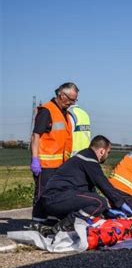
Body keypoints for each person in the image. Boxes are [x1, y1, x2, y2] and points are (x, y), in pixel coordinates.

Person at [39, 135, 132, 233]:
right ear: (102, 151)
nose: (107, 155)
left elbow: (89, 193)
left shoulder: (82, 158)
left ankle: (66, 223)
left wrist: (106, 211)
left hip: (56, 198)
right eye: (108, 152)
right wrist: (121, 203)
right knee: (99, 202)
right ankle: (63, 226)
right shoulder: (89, 160)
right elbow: (104, 185)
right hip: (58, 197)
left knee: (96, 204)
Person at [30, 82, 78, 224]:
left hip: (59, 165)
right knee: (42, 195)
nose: (72, 103)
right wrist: (34, 159)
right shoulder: (46, 110)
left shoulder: (66, 114)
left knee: (56, 195)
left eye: (75, 100)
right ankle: (37, 223)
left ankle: (51, 222)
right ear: (61, 95)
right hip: (45, 164)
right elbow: (36, 136)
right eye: (70, 99)